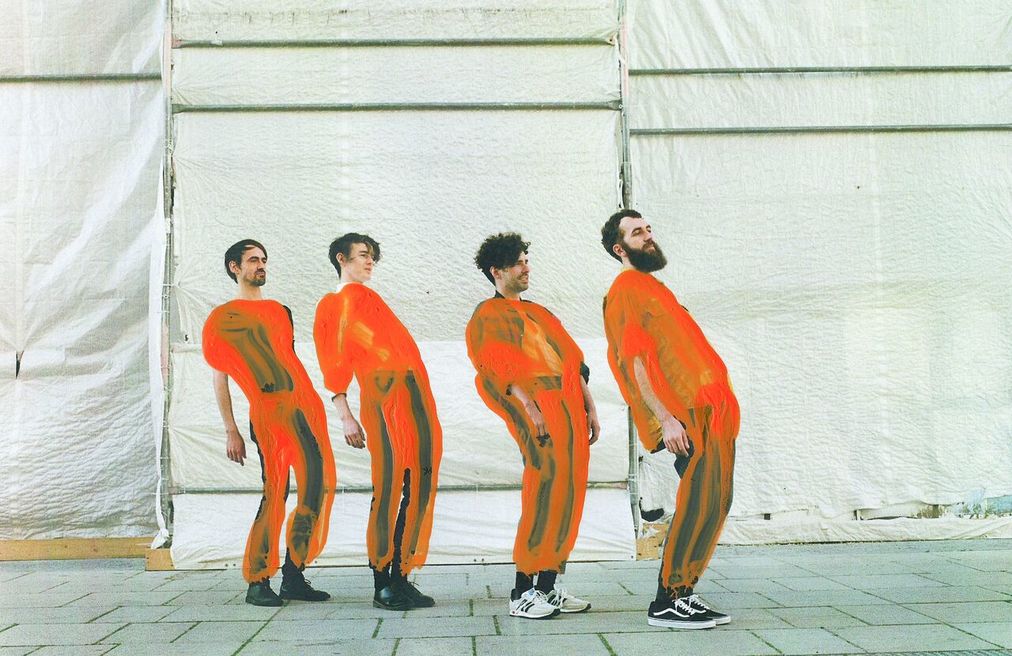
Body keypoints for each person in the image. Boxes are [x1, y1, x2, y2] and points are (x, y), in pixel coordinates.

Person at [600, 209, 739, 629]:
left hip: (709, 409)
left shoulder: (654, 288)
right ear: (620, 248)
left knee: (716, 501)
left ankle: (684, 591)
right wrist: (666, 419)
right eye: (636, 233)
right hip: (684, 413)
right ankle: (668, 598)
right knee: (699, 501)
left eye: (648, 228)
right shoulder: (626, 289)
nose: (648, 236)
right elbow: (634, 360)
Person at [465, 232, 600, 620]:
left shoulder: (540, 313)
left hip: (568, 401)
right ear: (497, 271)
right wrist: (530, 407)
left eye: (527, 260)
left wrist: (589, 407)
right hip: (536, 403)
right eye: (518, 263)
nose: (527, 268)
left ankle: (548, 585)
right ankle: (522, 590)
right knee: (544, 487)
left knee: (569, 491)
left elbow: (573, 362)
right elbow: (494, 366)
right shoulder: (488, 314)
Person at [202, 239, 337, 606]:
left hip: (303, 410)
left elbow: (288, 360)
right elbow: (220, 376)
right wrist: (230, 430)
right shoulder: (223, 318)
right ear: (235, 267)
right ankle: (258, 580)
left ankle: (294, 575)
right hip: (267, 413)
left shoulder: (281, 311)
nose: (260, 265)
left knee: (315, 490)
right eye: (252, 260)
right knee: (275, 492)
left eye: (263, 259)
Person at [313, 233, 442, 611]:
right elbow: (333, 360)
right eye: (362, 255)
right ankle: (382, 581)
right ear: (342, 259)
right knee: (389, 486)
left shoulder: (373, 300)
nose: (370, 262)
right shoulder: (335, 303)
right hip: (383, 401)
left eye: (372, 256)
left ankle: (401, 575)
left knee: (418, 482)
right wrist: (345, 416)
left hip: (413, 398)